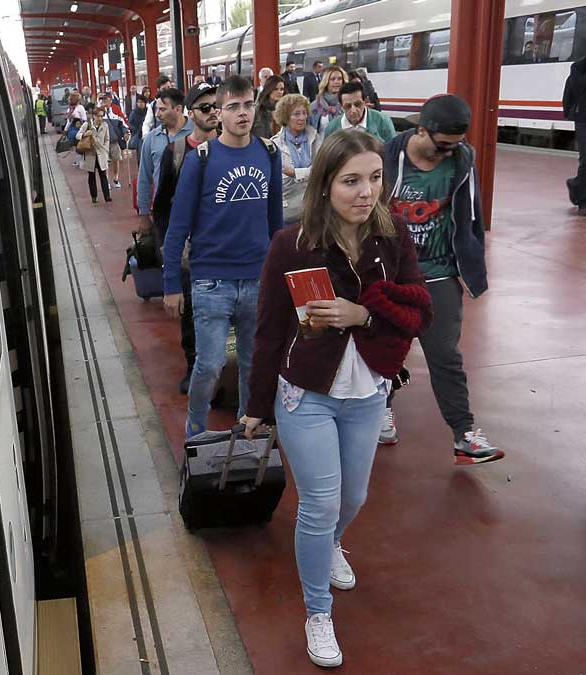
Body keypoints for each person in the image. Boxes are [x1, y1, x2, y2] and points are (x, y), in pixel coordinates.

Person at [242, 129, 433, 670]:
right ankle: (318, 612)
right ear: (324, 185)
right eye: (351, 180)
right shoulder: (292, 245)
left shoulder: (393, 236)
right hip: (307, 395)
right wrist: (257, 406)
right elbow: (269, 331)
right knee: (320, 504)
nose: (366, 192)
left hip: (369, 391)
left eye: (375, 178)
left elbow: (421, 313)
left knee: (355, 499)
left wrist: (363, 314)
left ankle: (329, 545)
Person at [382, 94, 504, 464]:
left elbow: (471, 216)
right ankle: (379, 410)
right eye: (443, 146)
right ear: (421, 130)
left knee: (446, 356)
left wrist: (472, 266)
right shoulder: (389, 156)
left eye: (456, 145)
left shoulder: (461, 160)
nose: (450, 152)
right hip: (394, 274)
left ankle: (464, 435)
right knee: (384, 351)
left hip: (439, 273)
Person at [161, 76, 284, 437]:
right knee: (210, 364)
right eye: (233, 107)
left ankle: (246, 430)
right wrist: (171, 284)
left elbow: (275, 222)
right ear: (220, 113)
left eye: (248, 105)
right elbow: (177, 225)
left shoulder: (269, 154)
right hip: (211, 280)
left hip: (257, 278)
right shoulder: (201, 159)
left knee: (253, 363)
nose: (242, 113)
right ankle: (196, 432)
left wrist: (280, 276)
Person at [137, 84, 219, 393]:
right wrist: (167, 248)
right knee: (192, 311)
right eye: (205, 107)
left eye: (216, 106)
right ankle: (193, 365)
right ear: (192, 112)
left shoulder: (233, 148)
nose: (213, 113)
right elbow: (162, 204)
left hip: (223, 249)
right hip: (189, 248)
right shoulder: (177, 150)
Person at [270, 93, 321, 226]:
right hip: (288, 214)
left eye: (304, 113)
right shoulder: (274, 145)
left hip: (314, 211)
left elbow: (322, 170)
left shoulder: (315, 138)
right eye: (297, 114)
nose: (302, 118)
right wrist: (308, 173)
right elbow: (279, 181)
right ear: (286, 117)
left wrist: (295, 173)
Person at [320, 81, 396, 145]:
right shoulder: (332, 128)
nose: (353, 110)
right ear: (341, 106)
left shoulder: (382, 121)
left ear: (365, 101)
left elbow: (393, 154)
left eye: (358, 104)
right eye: (348, 106)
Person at [563, 55, 586, 215]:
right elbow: (575, 88)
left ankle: (576, 186)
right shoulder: (579, 67)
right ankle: (584, 201)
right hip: (583, 117)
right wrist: (572, 112)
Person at [79, 107, 113, 203]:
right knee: (91, 175)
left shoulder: (105, 126)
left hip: (101, 153)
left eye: (102, 116)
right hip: (91, 154)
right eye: (98, 116)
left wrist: (105, 150)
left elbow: (107, 139)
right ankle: (94, 196)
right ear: (94, 116)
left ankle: (107, 197)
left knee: (103, 175)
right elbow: (78, 135)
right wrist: (85, 134)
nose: (100, 118)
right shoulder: (87, 125)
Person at [99, 92, 131, 188]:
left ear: (110, 100)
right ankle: (107, 181)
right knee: (105, 162)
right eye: (102, 99)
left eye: (105, 99)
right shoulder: (99, 111)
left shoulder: (116, 110)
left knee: (116, 160)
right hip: (103, 143)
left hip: (114, 141)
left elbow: (123, 123)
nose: (103, 101)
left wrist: (126, 132)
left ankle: (116, 179)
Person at [309, 66, 346, 131]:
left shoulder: (348, 103)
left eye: (339, 79)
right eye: (333, 79)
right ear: (326, 81)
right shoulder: (314, 106)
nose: (337, 82)